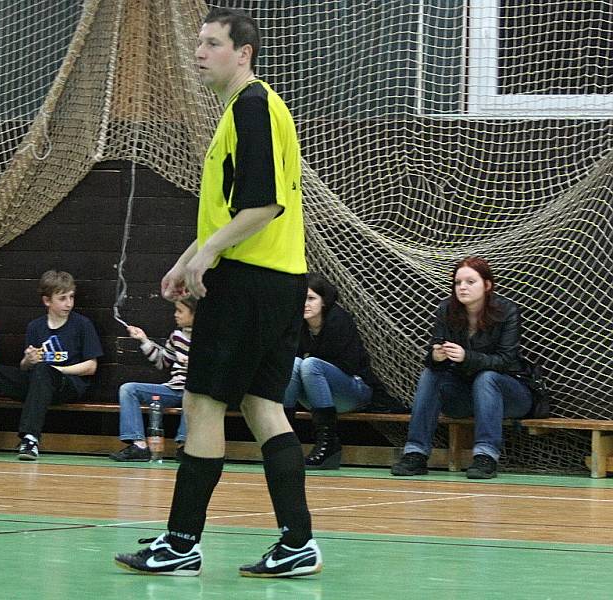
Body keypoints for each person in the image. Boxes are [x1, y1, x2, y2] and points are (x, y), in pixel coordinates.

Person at [115, 8, 321, 578]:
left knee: (204, 402)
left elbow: (264, 204)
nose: (200, 52)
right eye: (199, 43)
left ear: (243, 52)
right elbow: (235, 211)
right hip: (280, 279)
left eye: (212, 43)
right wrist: (189, 257)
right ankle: (297, 543)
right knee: (262, 406)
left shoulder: (252, 107)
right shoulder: (253, 109)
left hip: (250, 281)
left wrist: (208, 255)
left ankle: (180, 543)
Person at [0, 270, 103, 461]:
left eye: (71, 297)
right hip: (38, 382)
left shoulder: (82, 324)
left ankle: (30, 439)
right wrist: (27, 361)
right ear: (47, 301)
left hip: (68, 384)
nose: (69, 303)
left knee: (43, 370)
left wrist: (57, 369)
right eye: (62, 298)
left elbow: (91, 366)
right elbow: (26, 369)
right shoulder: (36, 326)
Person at [391, 256, 533, 479]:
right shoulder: (446, 310)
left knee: (486, 378)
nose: (462, 287)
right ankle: (415, 453)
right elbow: (433, 356)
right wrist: (436, 357)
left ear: (487, 285)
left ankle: (486, 456)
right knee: (432, 373)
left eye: (470, 282)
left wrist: (467, 357)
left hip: (510, 395)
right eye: (458, 283)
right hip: (464, 397)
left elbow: (506, 361)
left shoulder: (507, 311)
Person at [283, 273, 380, 470]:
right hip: (316, 395)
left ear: (324, 301)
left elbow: (349, 365)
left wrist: (313, 359)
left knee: (309, 364)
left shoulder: (338, 321)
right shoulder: (298, 324)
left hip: (353, 390)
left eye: (310, 298)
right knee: (293, 363)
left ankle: (328, 446)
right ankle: (285, 443)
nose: (305, 303)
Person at [109, 299, 195, 462]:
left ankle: (186, 447)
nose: (175, 315)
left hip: (195, 389)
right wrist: (143, 340)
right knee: (128, 389)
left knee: (195, 394)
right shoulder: (177, 336)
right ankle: (139, 445)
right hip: (173, 388)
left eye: (180, 311)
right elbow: (162, 362)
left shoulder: (211, 338)